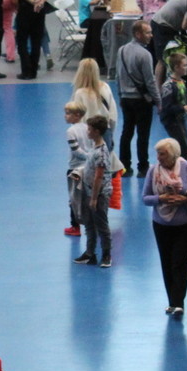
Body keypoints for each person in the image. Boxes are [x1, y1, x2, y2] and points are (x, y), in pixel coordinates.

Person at [143, 138, 187, 314]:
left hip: (184, 225)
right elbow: (145, 198)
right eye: (158, 154)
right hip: (161, 225)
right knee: (166, 262)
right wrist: (161, 199)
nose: (159, 157)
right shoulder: (153, 171)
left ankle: (178, 301)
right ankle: (172, 301)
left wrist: (185, 198)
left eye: (163, 154)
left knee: (180, 262)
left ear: (173, 154)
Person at [116, 21, 157, 178]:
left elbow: (118, 75)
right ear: (138, 34)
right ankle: (143, 167)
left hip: (126, 98)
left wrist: (120, 95)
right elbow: (150, 81)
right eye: (148, 33)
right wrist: (158, 101)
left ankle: (124, 166)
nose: (151, 35)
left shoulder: (121, 51)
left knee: (126, 132)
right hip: (141, 100)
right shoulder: (145, 54)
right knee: (143, 134)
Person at [74, 115, 112, 269]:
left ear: (96, 131)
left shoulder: (101, 152)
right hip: (89, 191)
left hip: (98, 194)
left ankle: (106, 255)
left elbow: (99, 177)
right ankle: (90, 253)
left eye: (89, 129)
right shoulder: (94, 146)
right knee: (89, 223)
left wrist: (94, 198)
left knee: (101, 225)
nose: (87, 131)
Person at [156, 51, 187, 160]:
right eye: (184, 65)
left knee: (184, 145)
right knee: (183, 150)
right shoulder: (168, 86)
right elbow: (166, 108)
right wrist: (183, 108)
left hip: (180, 119)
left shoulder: (181, 82)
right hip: (171, 121)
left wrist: (186, 107)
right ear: (177, 67)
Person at [62, 101, 91, 238]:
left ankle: (75, 226)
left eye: (68, 113)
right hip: (89, 168)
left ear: (77, 115)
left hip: (75, 168)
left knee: (74, 198)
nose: (65, 116)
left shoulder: (70, 131)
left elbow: (76, 150)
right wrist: (91, 158)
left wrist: (87, 157)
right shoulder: (88, 127)